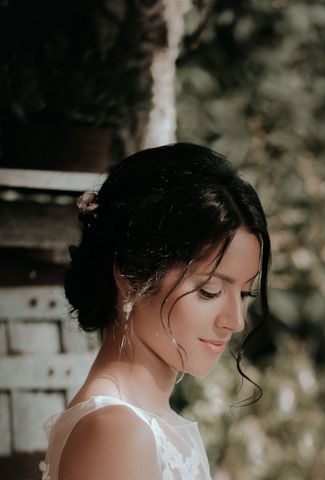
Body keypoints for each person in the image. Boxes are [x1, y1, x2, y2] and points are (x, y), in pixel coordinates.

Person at [40, 143, 271, 480]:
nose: (235, 321)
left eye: (245, 292)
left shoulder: (143, 424)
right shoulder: (117, 431)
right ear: (131, 277)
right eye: (210, 291)